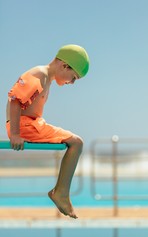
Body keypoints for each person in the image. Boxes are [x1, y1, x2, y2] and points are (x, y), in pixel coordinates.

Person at [6, 44, 90, 219]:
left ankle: (61, 192)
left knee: (75, 142)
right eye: (73, 77)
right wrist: (15, 134)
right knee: (77, 143)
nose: (72, 83)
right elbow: (15, 100)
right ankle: (61, 193)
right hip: (25, 126)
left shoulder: (46, 78)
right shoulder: (39, 75)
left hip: (30, 124)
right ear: (64, 65)